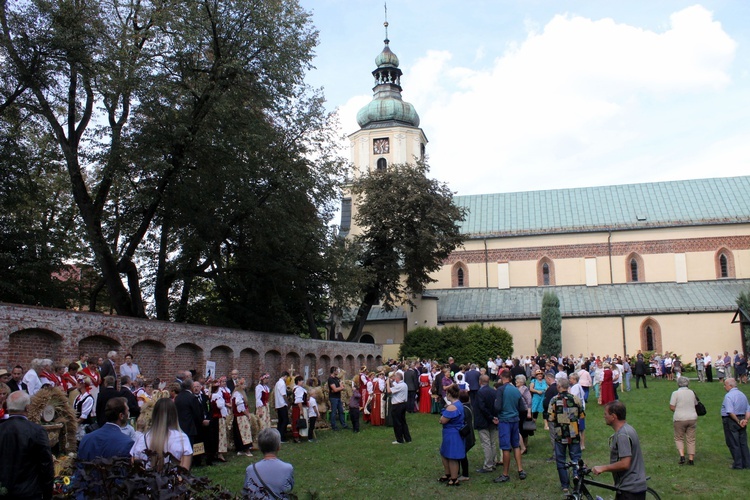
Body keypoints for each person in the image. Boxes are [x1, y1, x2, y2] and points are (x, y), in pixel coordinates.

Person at [0, 391, 54, 499]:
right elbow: (46, 465)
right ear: (27, 408)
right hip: (29, 492)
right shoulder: (37, 431)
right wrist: (48, 493)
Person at [593, 401, 648, 499]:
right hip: (634, 486)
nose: (604, 416)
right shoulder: (629, 429)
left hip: (630, 490)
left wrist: (603, 468)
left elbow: (625, 463)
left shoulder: (623, 435)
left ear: (613, 416)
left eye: (605, 414)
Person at [131, 397, 193, 470]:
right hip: (173, 480)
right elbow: (184, 472)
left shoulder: (142, 438)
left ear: (154, 415)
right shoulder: (182, 438)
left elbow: (135, 466)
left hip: (147, 480)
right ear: (175, 414)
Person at [549, 377, 585, 494]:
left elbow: (551, 417)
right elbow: (582, 415)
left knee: (561, 460)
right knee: (576, 457)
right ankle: (576, 475)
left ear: (559, 386)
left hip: (560, 434)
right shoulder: (576, 399)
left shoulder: (554, 400)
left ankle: (565, 485)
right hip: (574, 433)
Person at [493, 370, 527, 484]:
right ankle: (520, 470)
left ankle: (505, 474)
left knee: (506, 447)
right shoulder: (516, 390)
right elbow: (522, 408)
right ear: (511, 378)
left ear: (502, 377)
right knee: (516, 445)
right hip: (515, 419)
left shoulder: (501, 390)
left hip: (505, 420)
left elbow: (497, 407)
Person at [243, 428, 294, 499]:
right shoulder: (288, 468)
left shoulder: (250, 470)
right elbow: (289, 489)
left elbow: (246, 493)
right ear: (278, 447)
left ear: (260, 448)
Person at [438, 384, 465, 487]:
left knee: (452, 456)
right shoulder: (459, 404)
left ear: (449, 394)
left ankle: (453, 478)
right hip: (454, 432)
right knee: (445, 453)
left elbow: (443, 420)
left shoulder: (451, 407)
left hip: (452, 433)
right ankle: (449, 474)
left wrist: (442, 415)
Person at [720, 377, 750, 469]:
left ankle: (738, 464)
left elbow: (730, 411)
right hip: (742, 418)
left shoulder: (729, 396)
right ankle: (747, 463)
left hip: (732, 420)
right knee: (743, 442)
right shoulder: (742, 395)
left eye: (725, 385)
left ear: (730, 386)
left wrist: (738, 421)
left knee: (733, 442)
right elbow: (748, 409)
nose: (724, 387)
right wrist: (745, 420)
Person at [668, 376, 698, 465]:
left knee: (679, 438)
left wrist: (678, 410)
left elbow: (672, 407)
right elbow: (696, 404)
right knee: (691, 439)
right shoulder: (692, 393)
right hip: (692, 417)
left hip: (680, 418)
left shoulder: (675, 393)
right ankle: (691, 459)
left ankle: (682, 456)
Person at [474, 374, 499, 473]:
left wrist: (491, 417)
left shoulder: (480, 393)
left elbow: (482, 407)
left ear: (480, 381)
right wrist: (494, 417)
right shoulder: (493, 391)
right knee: (492, 442)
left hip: (484, 420)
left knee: (486, 443)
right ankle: (493, 461)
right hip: (493, 419)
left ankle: (488, 465)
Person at [387, 371, 411, 444]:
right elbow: (394, 386)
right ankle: (407, 438)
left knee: (397, 423)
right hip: (403, 404)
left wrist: (387, 383)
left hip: (397, 405)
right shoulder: (404, 384)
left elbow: (389, 391)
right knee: (403, 422)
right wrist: (391, 382)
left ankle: (399, 439)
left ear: (397, 378)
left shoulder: (399, 386)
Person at [231, 377, 254, 454]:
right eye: (244, 384)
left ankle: (240, 449)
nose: (245, 386)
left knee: (239, 433)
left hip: (238, 417)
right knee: (244, 433)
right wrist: (248, 415)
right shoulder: (238, 394)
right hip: (240, 417)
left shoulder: (236, 394)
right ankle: (246, 449)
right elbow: (240, 407)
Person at [291, 375, 308, 443]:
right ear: (298, 382)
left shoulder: (297, 388)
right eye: (301, 381)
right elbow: (298, 400)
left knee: (297, 420)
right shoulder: (298, 389)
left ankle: (299, 435)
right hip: (297, 407)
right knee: (297, 421)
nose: (303, 382)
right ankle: (296, 437)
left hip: (297, 407)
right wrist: (301, 410)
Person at [274, 371, 290, 441]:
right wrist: (287, 402)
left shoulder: (277, 383)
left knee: (280, 421)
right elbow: (284, 394)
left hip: (278, 404)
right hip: (282, 404)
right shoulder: (282, 383)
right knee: (285, 421)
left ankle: (278, 436)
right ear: (285, 376)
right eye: (287, 378)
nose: (286, 379)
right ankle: (282, 437)